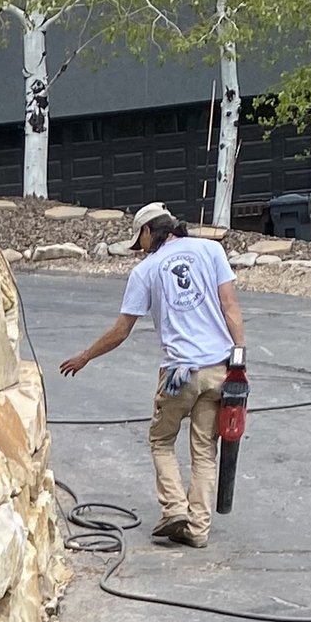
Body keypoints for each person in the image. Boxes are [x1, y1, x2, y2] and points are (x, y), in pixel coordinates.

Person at [58, 202, 245, 547]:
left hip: (178, 374)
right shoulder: (211, 250)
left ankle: (174, 509)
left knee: (162, 441)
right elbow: (230, 305)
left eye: (139, 240)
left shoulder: (146, 271)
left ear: (148, 232)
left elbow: (121, 330)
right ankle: (198, 530)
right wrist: (240, 358)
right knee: (204, 451)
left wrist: (85, 356)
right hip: (218, 369)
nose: (139, 249)